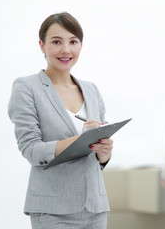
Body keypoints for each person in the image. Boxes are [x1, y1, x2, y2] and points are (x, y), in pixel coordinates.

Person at [8, 12, 112, 229]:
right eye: (56, 42)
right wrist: (81, 139)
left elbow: (95, 158)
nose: (66, 50)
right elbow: (31, 150)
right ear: (42, 45)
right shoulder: (26, 87)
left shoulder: (91, 90)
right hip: (53, 210)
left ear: (81, 45)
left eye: (73, 41)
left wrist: (104, 153)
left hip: (95, 207)